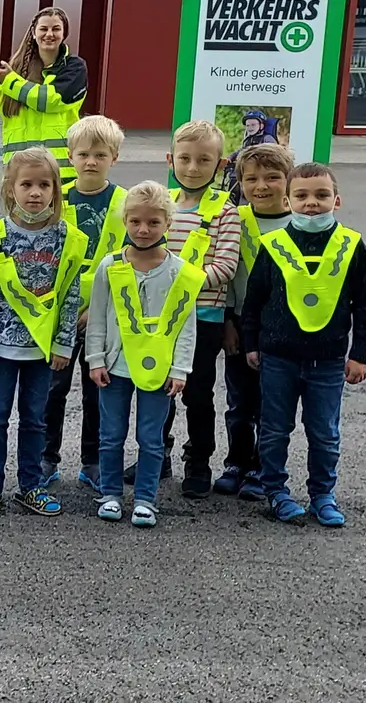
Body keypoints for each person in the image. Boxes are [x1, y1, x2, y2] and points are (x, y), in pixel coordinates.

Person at [243, 163, 366, 527]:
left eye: (321, 195)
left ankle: (322, 495)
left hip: (329, 360)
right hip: (278, 358)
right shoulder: (273, 245)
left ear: (337, 199)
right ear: (287, 200)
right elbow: (254, 300)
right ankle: (276, 491)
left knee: (324, 432)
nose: (312, 203)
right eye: (301, 196)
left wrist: (361, 354)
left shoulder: (351, 245)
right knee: (273, 428)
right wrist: (251, 344)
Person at [0, 147, 85, 517]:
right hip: (2, 349)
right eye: (26, 184)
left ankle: (31, 485)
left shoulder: (68, 238)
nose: (35, 193)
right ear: (10, 189)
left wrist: (64, 342)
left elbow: (70, 295)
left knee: (36, 419)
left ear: (55, 190)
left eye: (43, 185)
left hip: (44, 350)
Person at [85, 182, 200, 528]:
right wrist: (95, 359)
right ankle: (110, 493)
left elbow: (185, 324)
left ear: (168, 223)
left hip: (159, 369)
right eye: (135, 222)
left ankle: (146, 499)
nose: (143, 229)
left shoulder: (181, 271)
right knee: (111, 434)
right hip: (115, 366)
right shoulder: (110, 266)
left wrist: (180, 368)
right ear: (124, 221)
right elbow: (98, 315)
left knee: (151, 438)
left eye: (153, 222)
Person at [150, 119, 241, 497]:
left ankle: (199, 462)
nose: (192, 167)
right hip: (159, 319)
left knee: (198, 394)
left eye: (203, 160)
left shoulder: (225, 211)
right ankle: (157, 455)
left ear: (220, 166)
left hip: (204, 319)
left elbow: (224, 268)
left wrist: (174, 279)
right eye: (184, 159)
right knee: (157, 389)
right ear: (171, 159)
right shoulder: (160, 204)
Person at [44, 115, 127, 492]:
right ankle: (47, 458)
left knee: (98, 391)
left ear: (115, 156)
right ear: (70, 156)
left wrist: (97, 308)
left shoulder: (125, 203)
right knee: (52, 389)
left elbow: (128, 261)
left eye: (100, 154)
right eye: (83, 154)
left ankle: (92, 461)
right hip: (60, 312)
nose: (91, 161)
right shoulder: (55, 198)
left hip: (104, 313)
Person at [216, 143, 294, 499]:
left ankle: (265, 467)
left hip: (284, 331)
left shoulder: (301, 224)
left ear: (288, 180)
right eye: (252, 179)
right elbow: (230, 273)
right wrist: (229, 321)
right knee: (240, 401)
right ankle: (237, 463)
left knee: (273, 404)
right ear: (240, 183)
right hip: (241, 326)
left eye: (272, 178)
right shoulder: (235, 219)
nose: (261, 186)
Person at [0, 7, 88, 183]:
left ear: (64, 34)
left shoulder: (74, 68)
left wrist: (10, 81)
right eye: (43, 29)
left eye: (56, 29)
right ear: (33, 33)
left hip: (61, 173)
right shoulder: (15, 71)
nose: (49, 34)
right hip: (19, 172)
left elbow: (50, 100)